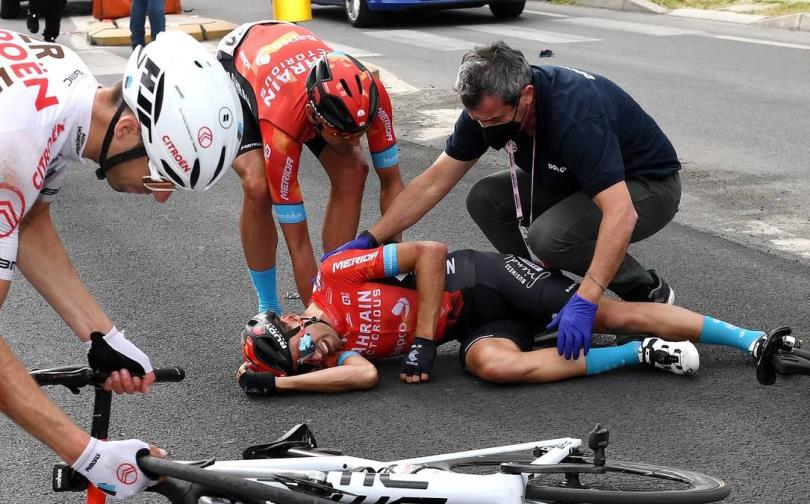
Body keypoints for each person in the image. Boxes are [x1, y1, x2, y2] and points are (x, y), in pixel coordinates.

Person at [326, 41, 684, 363]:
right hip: (573, 180)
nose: (486, 128)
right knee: (485, 199)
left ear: (526, 96)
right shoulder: (484, 111)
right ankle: (539, 297)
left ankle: (645, 291)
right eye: (478, 120)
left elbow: (620, 212)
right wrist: (370, 238)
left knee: (550, 237)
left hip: (647, 187)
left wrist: (587, 299)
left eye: (495, 120)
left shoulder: (575, 114)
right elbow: (433, 182)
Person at [0, 29, 243, 498]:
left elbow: (29, 218)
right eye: (160, 175)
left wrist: (103, 335)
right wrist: (87, 454)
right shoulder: (15, 145)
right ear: (130, 130)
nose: (160, 196)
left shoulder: (65, 87)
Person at [236, 242, 769, 394]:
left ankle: (750, 340)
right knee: (496, 367)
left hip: (482, 277)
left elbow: (427, 251)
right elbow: (363, 374)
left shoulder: (334, 276)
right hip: (474, 326)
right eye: (309, 366)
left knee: (609, 313)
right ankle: (639, 355)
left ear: (292, 319)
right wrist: (279, 386)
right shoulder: (344, 351)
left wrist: (422, 341)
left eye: (308, 350)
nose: (322, 356)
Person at [216, 21, 404, 314]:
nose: (355, 142)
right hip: (242, 68)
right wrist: (320, 318)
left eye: (361, 133)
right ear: (313, 120)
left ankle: (338, 278)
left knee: (354, 169)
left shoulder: (373, 96)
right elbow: (298, 242)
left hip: (290, 43)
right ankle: (267, 308)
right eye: (343, 136)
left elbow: (392, 183)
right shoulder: (282, 127)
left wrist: (396, 267)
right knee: (258, 187)